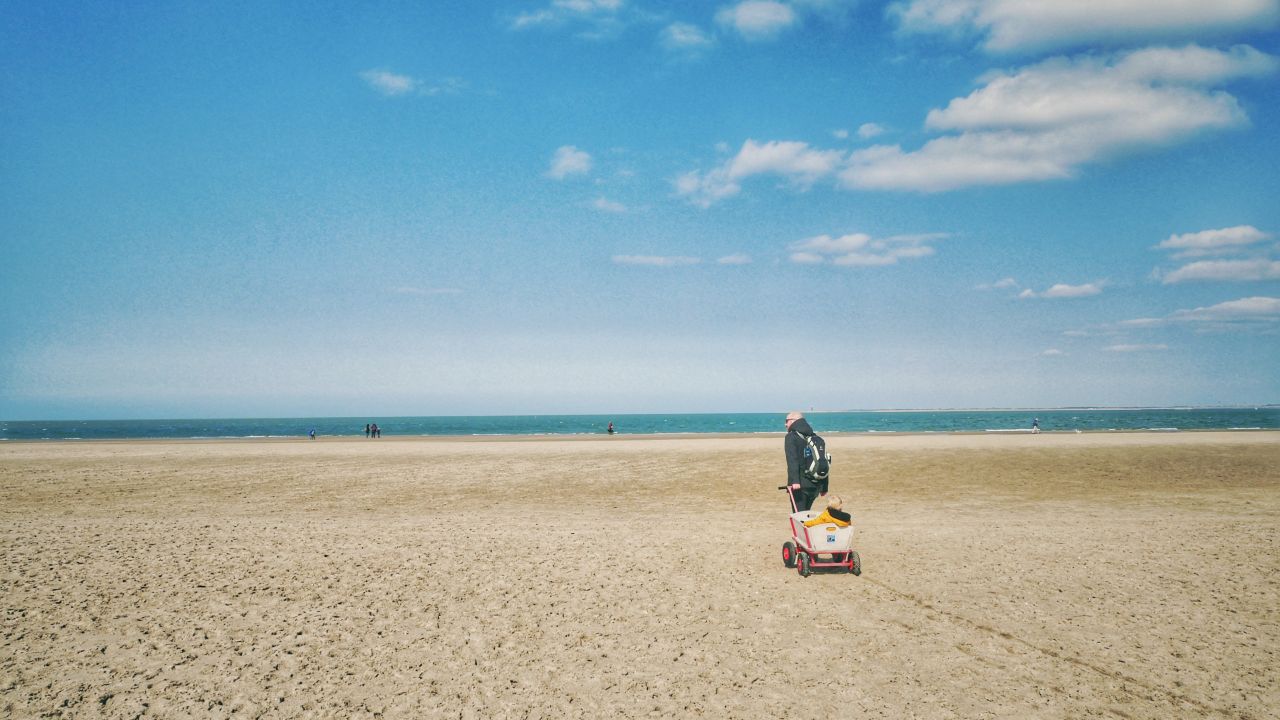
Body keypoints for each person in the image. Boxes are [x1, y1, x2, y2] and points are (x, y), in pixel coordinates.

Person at [784, 411, 827, 512]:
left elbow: (792, 460)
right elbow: (823, 461)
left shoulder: (791, 437)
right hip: (815, 484)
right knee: (806, 513)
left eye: (787, 421)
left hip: (800, 485)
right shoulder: (815, 437)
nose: (785, 424)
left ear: (794, 421)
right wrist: (824, 487)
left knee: (799, 515)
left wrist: (794, 481)